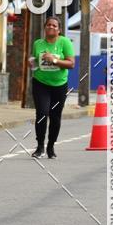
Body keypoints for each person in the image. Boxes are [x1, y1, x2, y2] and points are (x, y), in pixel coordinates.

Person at [28, 16, 75, 159]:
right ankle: (40, 146)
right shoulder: (38, 43)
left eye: (54, 26)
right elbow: (35, 61)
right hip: (40, 83)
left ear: (59, 30)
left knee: (55, 117)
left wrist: (54, 60)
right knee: (42, 114)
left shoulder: (64, 42)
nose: (51, 27)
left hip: (59, 85)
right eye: (49, 25)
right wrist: (32, 63)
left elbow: (71, 64)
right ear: (45, 27)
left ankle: (51, 146)